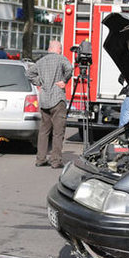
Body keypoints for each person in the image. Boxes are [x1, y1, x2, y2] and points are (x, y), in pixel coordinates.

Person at [28, 40, 73, 168]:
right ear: (58, 49)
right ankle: (55, 161)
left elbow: (29, 73)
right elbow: (70, 68)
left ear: (49, 49)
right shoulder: (61, 59)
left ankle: (40, 159)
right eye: (60, 49)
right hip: (57, 99)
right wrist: (64, 81)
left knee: (43, 131)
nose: (61, 51)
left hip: (44, 100)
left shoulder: (41, 61)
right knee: (58, 132)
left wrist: (39, 83)